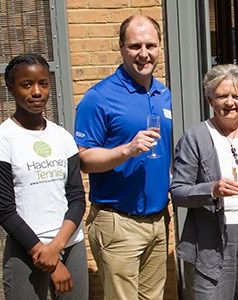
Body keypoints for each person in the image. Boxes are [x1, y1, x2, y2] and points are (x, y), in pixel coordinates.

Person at [73, 15, 172, 299]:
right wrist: (127, 149)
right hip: (118, 222)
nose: (144, 54)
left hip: (158, 220)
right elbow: (84, 159)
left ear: (160, 47)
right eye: (135, 46)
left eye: (151, 45)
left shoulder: (165, 94)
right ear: (121, 47)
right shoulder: (99, 97)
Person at [0, 53, 88, 299]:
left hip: (70, 246)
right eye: (26, 84)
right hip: (26, 249)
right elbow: (5, 211)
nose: (37, 92)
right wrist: (46, 255)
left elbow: (76, 198)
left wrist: (58, 247)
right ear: (11, 88)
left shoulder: (62, 137)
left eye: (43, 83)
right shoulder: (1, 141)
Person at [171, 64, 238, 300]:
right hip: (209, 243)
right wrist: (212, 190)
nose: (230, 102)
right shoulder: (195, 137)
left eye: (236, 96)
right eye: (222, 96)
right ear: (210, 99)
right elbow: (178, 192)